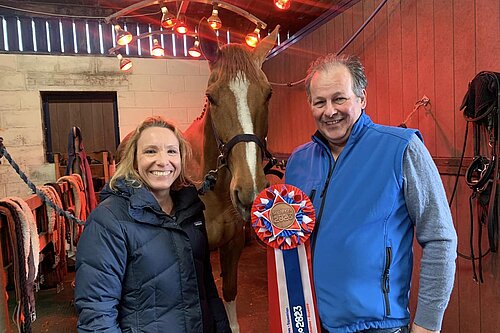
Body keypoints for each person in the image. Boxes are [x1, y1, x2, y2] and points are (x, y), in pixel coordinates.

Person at [285, 54, 457, 333]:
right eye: (320, 102)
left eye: (339, 98)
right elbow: (289, 239)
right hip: (310, 321)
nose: (329, 111)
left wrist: (427, 323)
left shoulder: (401, 148)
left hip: (378, 326)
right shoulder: (298, 162)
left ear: (362, 98)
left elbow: (440, 238)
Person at [74, 116, 231, 333]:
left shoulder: (191, 211)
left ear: (182, 159)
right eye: (150, 151)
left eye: (171, 151)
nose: (163, 161)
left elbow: (207, 291)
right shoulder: (108, 220)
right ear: (134, 160)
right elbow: (97, 313)